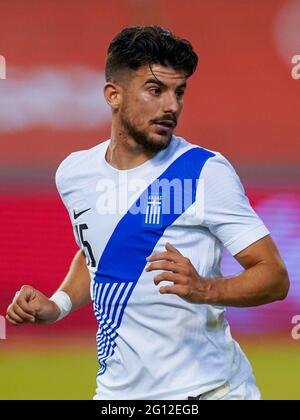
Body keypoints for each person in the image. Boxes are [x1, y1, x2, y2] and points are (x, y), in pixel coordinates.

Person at [6, 25, 289, 400]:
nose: (171, 105)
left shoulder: (204, 171)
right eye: (155, 90)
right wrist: (57, 305)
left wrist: (206, 288)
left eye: (179, 91)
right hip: (115, 395)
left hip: (210, 391)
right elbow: (98, 252)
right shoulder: (74, 174)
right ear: (114, 95)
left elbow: (274, 276)